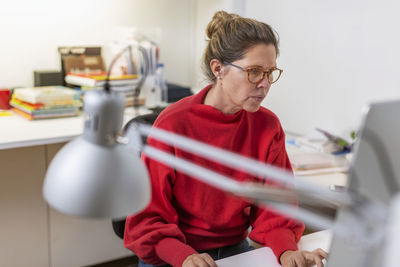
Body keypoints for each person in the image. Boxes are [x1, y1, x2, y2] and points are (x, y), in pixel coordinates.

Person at [124, 11, 327, 267]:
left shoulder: (267, 126)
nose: (264, 84)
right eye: (254, 71)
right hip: (175, 251)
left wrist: (287, 252)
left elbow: (276, 209)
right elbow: (147, 220)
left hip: (234, 249)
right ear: (218, 69)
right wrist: (183, 257)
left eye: (270, 72)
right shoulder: (173, 124)